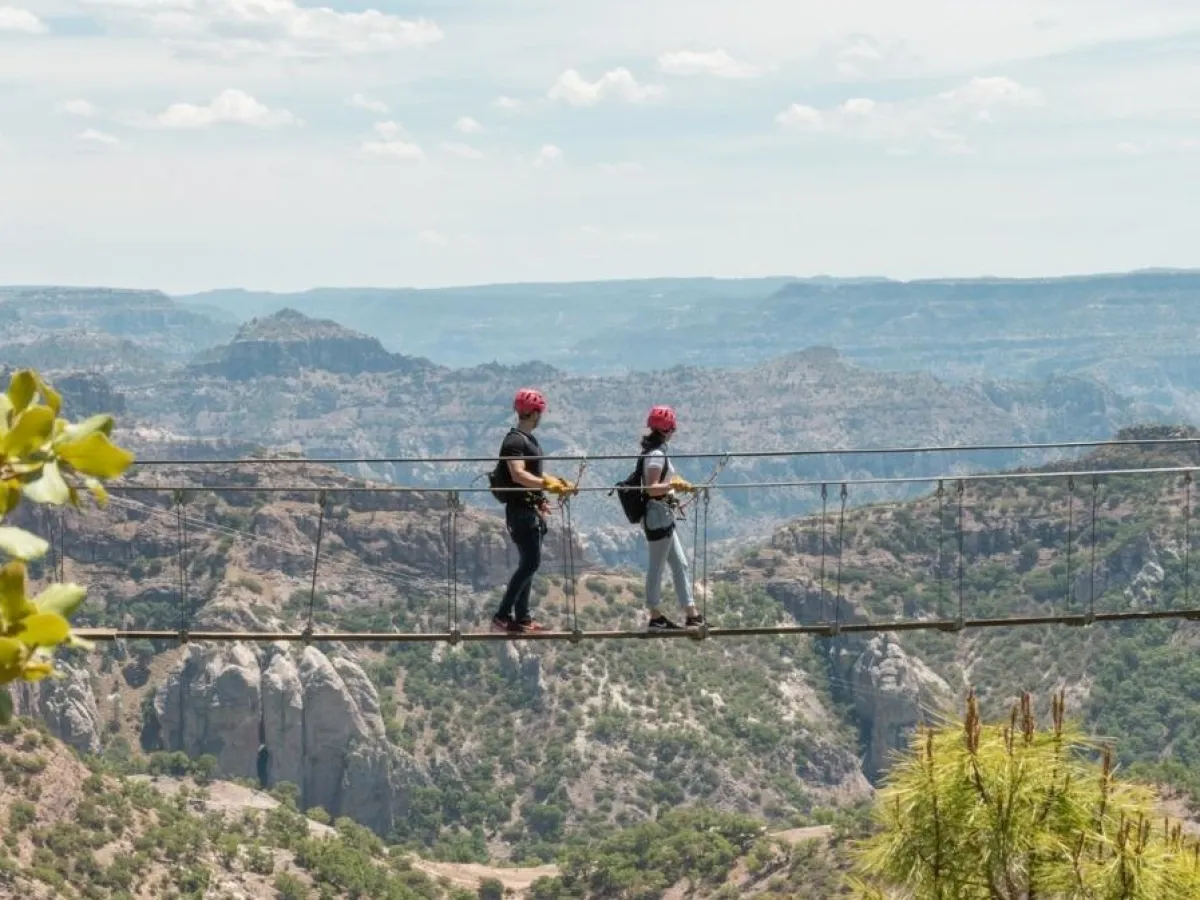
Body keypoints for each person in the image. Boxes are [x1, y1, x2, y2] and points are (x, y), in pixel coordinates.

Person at [490, 388, 576, 634]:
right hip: (520, 512)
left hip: (530, 510)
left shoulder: (528, 441)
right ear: (535, 413)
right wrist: (545, 484)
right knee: (530, 563)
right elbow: (518, 474)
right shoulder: (515, 441)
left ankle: (522, 618)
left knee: (530, 563)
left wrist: (550, 487)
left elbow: (533, 475)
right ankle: (502, 616)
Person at [639, 405, 705, 631]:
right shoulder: (656, 454)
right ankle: (655, 616)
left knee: (680, 564)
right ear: (668, 429)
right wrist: (673, 485)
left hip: (662, 514)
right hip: (658, 514)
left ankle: (691, 614)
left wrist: (674, 485)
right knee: (657, 567)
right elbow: (651, 488)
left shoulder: (654, 452)